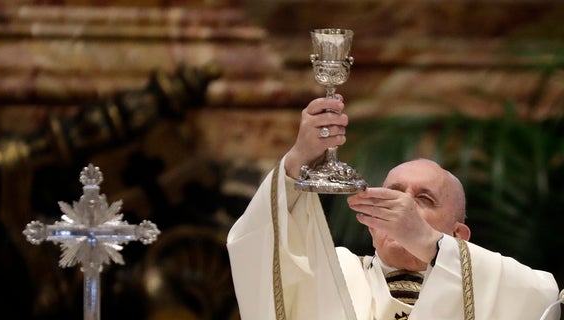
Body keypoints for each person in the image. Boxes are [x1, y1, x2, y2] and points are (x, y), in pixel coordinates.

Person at [226, 95, 561, 320]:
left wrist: (430, 245)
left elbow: (541, 294)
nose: (403, 206)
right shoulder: (333, 271)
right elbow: (256, 248)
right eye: (393, 194)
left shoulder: (491, 282)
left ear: (459, 235)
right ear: (371, 222)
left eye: (424, 200)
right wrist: (299, 158)